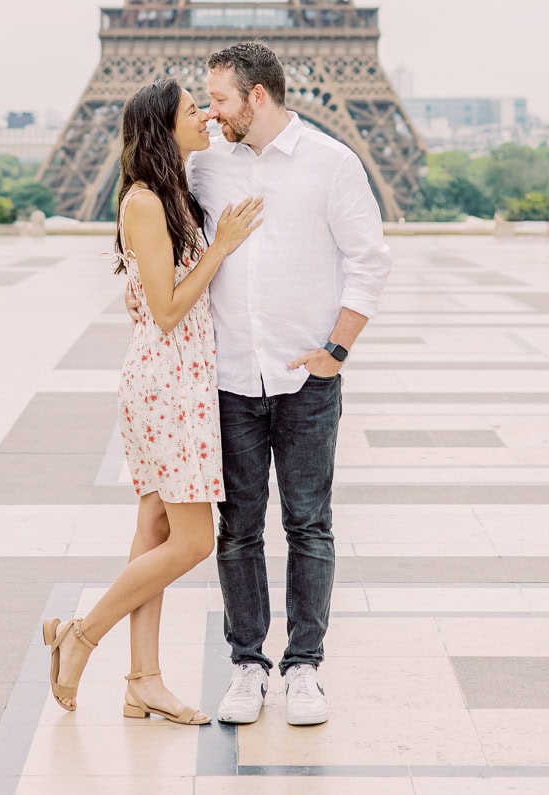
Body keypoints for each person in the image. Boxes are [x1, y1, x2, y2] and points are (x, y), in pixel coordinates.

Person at [42, 76, 262, 721]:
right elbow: (166, 309)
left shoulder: (176, 194)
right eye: (194, 111)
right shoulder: (145, 202)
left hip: (179, 380)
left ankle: (144, 679)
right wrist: (222, 247)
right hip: (169, 383)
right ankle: (82, 635)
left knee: (155, 530)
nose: (205, 118)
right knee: (193, 542)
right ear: (164, 126)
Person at [194, 40, 392, 727]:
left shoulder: (331, 164)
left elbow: (370, 260)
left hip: (304, 378)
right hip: (230, 376)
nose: (208, 110)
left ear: (256, 96)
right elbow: (161, 231)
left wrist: (338, 348)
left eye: (218, 97)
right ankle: (246, 662)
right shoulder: (205, 164)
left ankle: (304, 664)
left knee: (309, 524)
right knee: (237, 528)